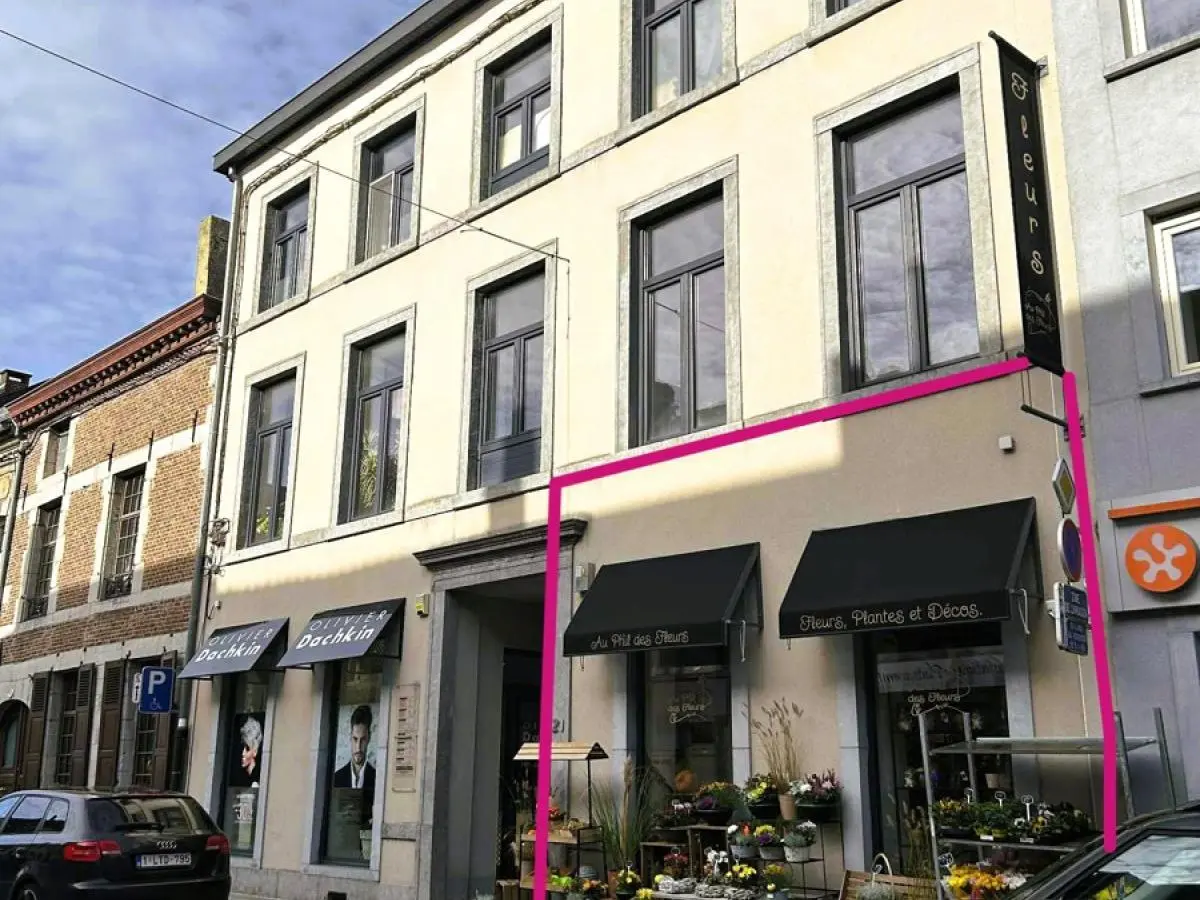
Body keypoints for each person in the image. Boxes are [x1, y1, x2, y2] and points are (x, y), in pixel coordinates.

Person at [333, 704, 376, 799]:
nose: (358, 747)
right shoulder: (336, 779)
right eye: (355, 739)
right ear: (350, 737)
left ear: (369, 738)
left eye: (363, 740)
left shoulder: (377, 779)